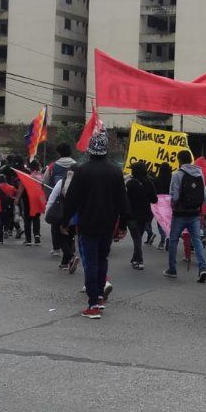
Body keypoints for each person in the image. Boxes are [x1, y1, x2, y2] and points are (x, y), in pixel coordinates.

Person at [61, 129, 130, 320]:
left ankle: (92, 305)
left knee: (91, 262)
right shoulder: (115, 171)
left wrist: (65, 221)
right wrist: (123, 225)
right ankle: (99, 297)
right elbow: (123, 201)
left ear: (90, 149)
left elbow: (72, 200)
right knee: (102, 260)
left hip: (87, 223)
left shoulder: (82, 171)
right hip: (108, 223)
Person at [164, 150, 206, 282]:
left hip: (180, 213)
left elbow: (174, 196)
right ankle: (202, 268)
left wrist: (172, 205)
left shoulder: (177, 174)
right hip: (195, 213)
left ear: (179, 160)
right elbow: (205, 196)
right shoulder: (199, 173)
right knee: (197, 240)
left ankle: (172, 269)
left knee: (174, 240)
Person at [43, 144, 76, 255]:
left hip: (57, 201)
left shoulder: (52, 166)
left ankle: (56, 248)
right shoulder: (77, 165)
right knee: (71, 225)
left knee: (55, 225)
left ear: (59, 153)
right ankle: (70, 248)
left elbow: (45, 181)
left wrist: (48, 198)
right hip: (73, 201)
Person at [46, 162, 80, 272]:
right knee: (69, 237)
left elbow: (52, 197)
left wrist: (47, 211)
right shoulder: (82, 183)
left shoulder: (62, 182)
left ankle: (71, 256)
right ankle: (65, 263)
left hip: (60, 214)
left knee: (60, 238)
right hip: (74, 215)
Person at [126, 161, 158, 270]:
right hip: (145, 215)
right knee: (138, 236)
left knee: (136, 238)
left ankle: (139, 260)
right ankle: (135, 258)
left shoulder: (130, 184)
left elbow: (125, 200)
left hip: (132, 215)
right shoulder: (149, 182)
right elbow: (154, 200)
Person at [153, 162, 173, 249]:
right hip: (169, 202)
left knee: (160, 222)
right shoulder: (172, 179)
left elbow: (154, 192)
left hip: (159, 203)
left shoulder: (157, 179)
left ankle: (162, 239)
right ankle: (169, 237)